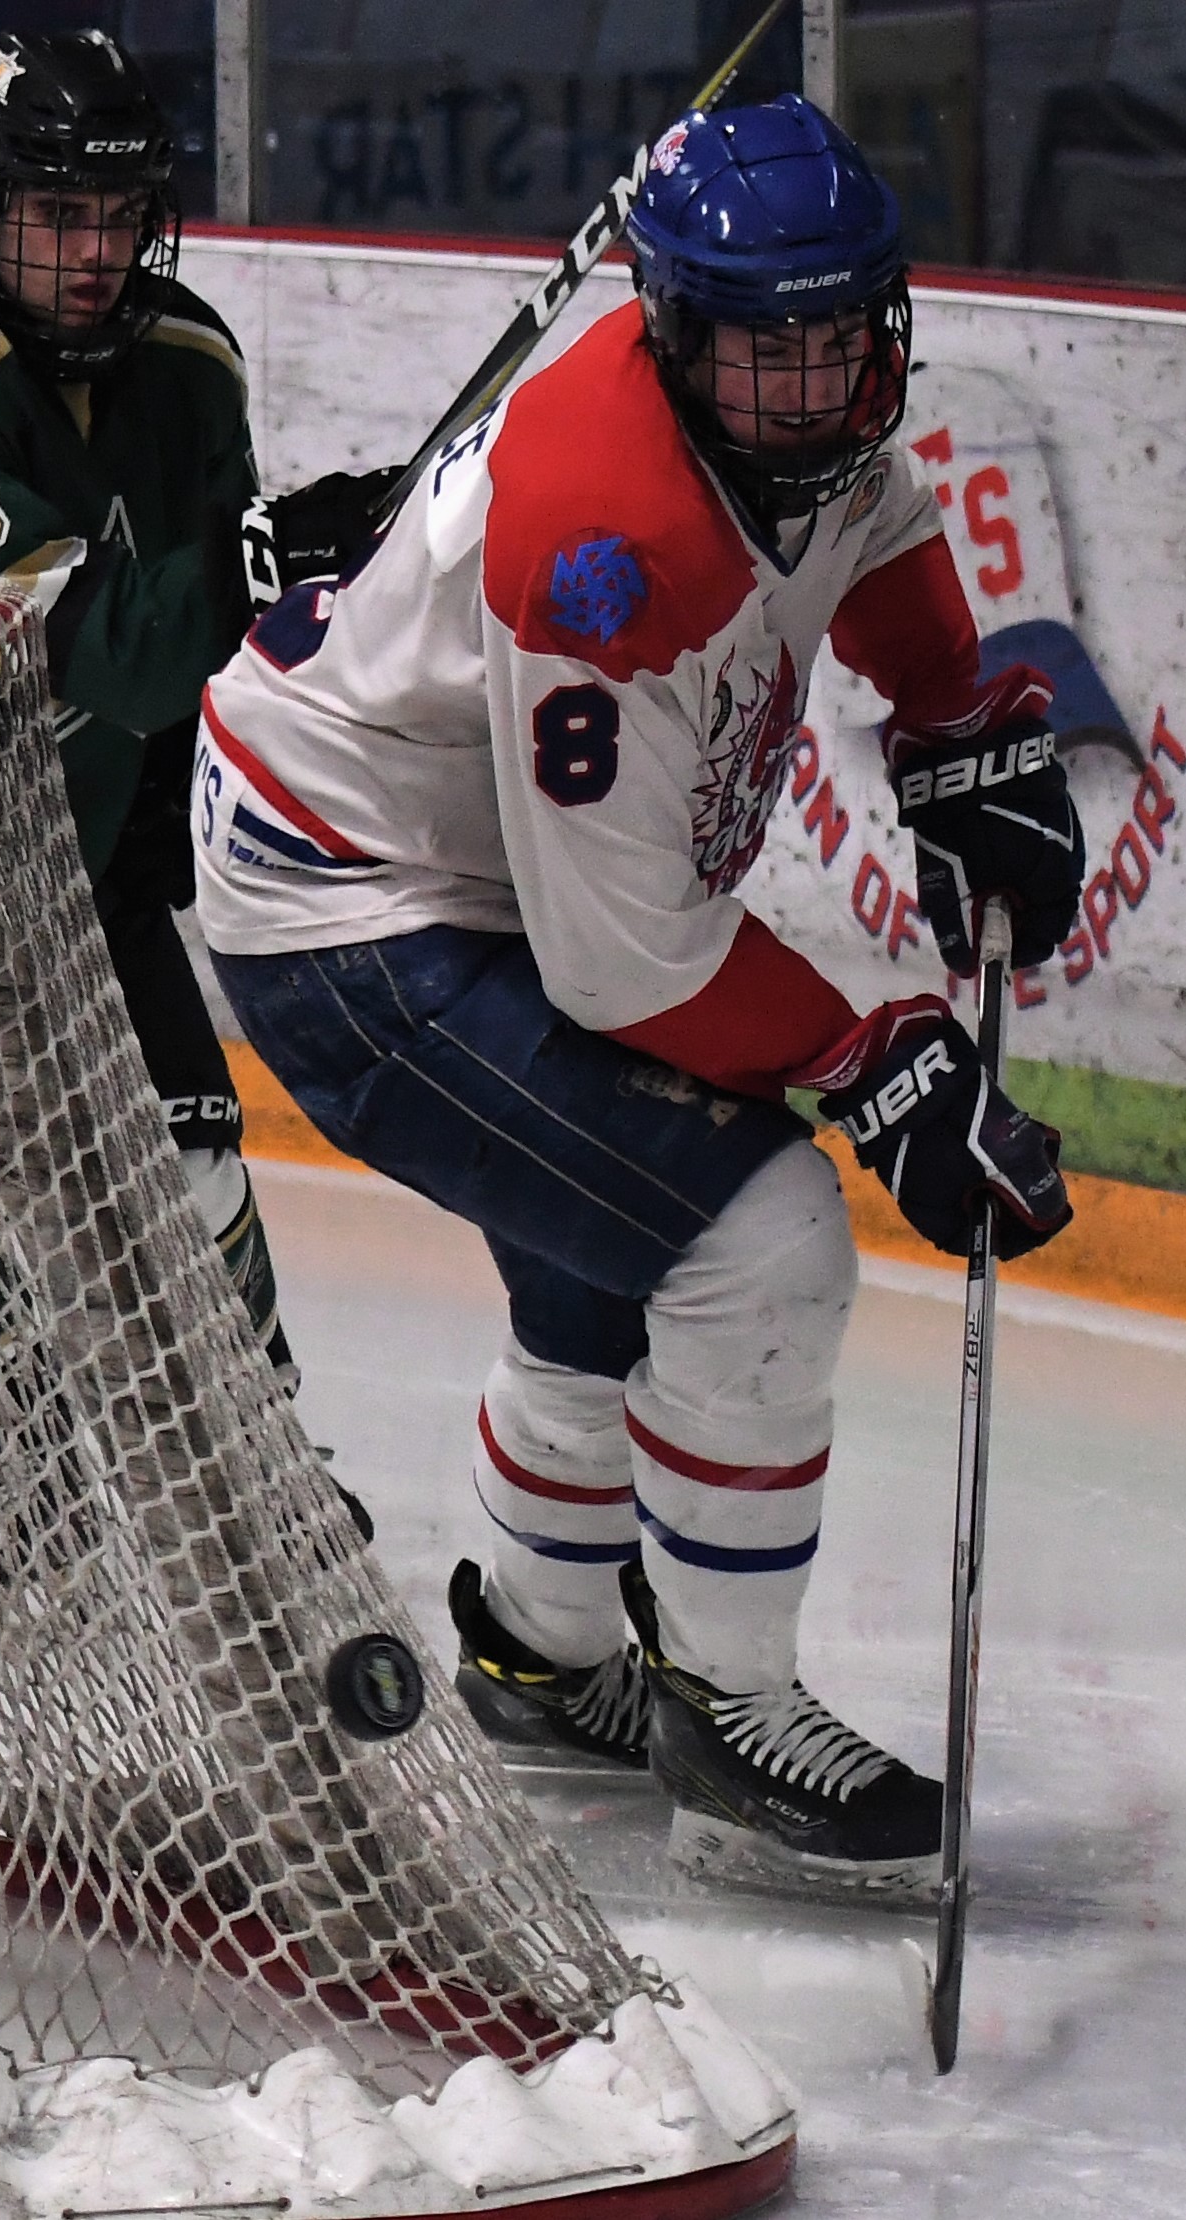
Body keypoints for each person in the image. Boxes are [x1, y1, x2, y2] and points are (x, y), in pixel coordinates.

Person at [192, 97, 1082, 1896]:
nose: (808, 388)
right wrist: (876, 1056)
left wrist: (948, 724)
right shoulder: (607, 542)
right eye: (761, 350)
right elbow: (627, 962)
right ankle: (726, 1723)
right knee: (756, 1238)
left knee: (608, 1247)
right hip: (350, 910)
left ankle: (537, 1656)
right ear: (674, 333)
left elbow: (874, 518)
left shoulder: (800, 424)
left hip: (460, 863)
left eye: (837, 340)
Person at [0, 28, 389, 1401]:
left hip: (40, 828)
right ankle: (26, 1487)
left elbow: (199, 641)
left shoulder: (188, 362)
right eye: (53, 214)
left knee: (187, 1164)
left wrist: (168, 785)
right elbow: (109, 646)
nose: (95, 253)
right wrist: (267, 561)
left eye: (118, 214)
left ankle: (262, 1470)